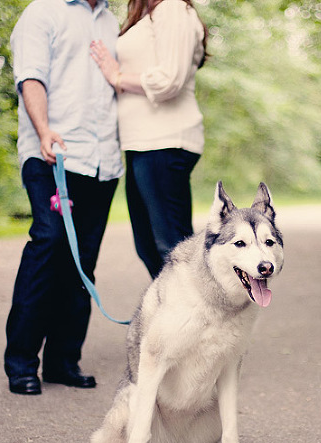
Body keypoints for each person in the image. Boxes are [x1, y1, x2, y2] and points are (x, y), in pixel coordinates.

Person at [4, 0, 124, 395]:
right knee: (49, 243)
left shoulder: (110, 21)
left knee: (82, 261)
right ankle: (21, 362)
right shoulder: (43, 12)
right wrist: (43, 130)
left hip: (102, 163)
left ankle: (62, 361)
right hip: (51, 155)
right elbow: (30, 78)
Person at [90, 0, 208, 279]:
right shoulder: (145, 13)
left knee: (172, 249)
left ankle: (196, 307)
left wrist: (117, 76)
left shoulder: (172, 8)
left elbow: (170, 79)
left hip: (164, 141)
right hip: (142, 144)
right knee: (150, 248)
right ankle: (176, 305)